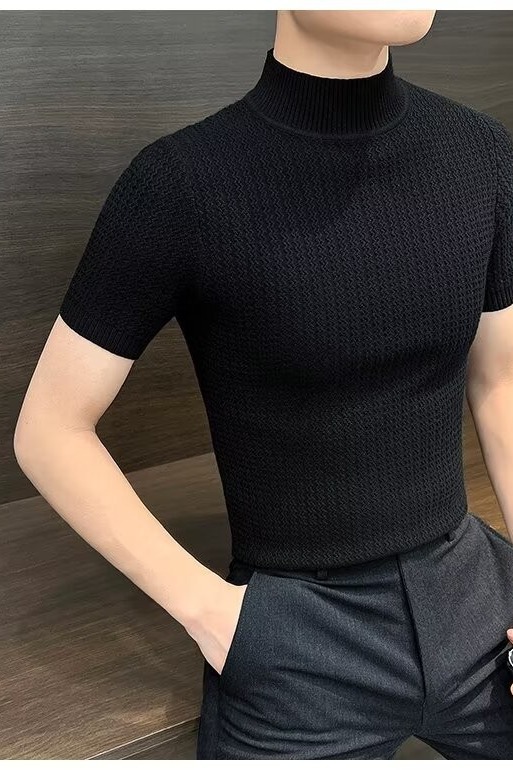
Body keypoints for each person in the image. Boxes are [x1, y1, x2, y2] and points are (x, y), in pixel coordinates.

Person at [13, 9, 513, 760]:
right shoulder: (181, 184)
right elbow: (49, 429)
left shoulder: (480, 154)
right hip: (295, 638)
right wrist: (211, 614)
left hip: (475, 592)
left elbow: (500, 381)